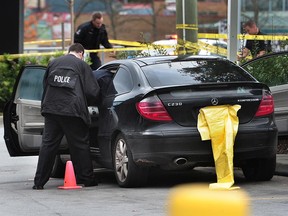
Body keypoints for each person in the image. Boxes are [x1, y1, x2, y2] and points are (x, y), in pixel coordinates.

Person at [33, 43, 100, 190]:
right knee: (79, 145)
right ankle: (86, 179)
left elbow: (45, 85)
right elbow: (92, 91)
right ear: (81, 54)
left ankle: (39, 182)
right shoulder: (82, 66)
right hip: (73, 111)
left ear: (69, 52)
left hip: (51, 109)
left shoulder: (53, 63)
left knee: (48, 145)